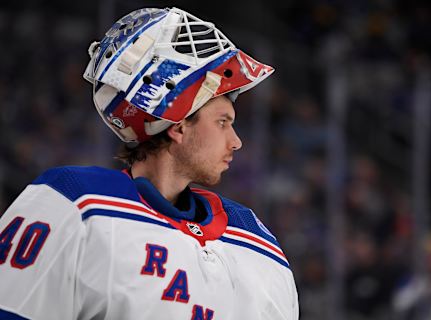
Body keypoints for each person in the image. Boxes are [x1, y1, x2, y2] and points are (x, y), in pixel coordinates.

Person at [0, 7, 299, 320]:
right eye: (223, 122)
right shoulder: (75, 202)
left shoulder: (258, 241)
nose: (236, 141)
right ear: (179, 125)